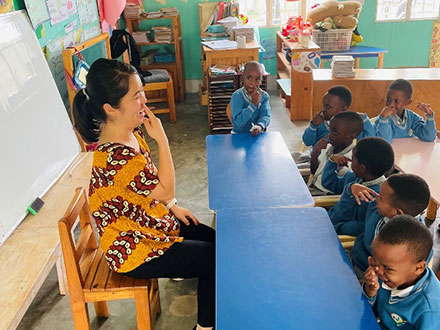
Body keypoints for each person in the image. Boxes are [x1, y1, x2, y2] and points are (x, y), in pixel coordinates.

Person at [72, 58, 215, 330]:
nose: (144, 101)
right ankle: (205, 327)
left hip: (147, 225)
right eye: (136, 96)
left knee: (216, 242)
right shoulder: (119, 157)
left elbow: (152, 190)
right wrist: (162, 140)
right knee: (213, 259)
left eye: (142, 92)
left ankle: (182, 269)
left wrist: (173, 206)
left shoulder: (129, 133)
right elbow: (165, 188)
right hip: (132, 250)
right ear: (110, 109)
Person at [364, 215, 440, 329]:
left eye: (387, 268)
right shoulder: (388, 271)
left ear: (418, 268)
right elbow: (368, 312)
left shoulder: (429, 310)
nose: (378, 271)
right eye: (374, 261)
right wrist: (370, 290)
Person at [350, 174, 430, 277]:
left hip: (367, 273)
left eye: (381, 198)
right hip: (354, 256)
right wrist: (352, 188)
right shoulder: (379, 211)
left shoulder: (412, 243)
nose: (376, 198)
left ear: (397, 213)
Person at [321, 137, 394, 236]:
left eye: (353, 158)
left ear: (362, 168)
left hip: (338, 235)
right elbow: (328, 183)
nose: (350, 160)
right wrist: (332, 161)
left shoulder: (377, 198)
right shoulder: (352, 177)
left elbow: (360, 229)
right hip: (328, 223)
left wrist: (335, 228)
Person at [293, 85, 375, 166]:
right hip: (313, 157)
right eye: (323, 105)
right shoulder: (321, 122)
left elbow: (370, 140)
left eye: (328, 107)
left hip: (330, 162)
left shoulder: (350, 126)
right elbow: (307, 142)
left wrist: (364, 118)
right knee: (290, 158)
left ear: (344, 108)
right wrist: (313, 125)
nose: (323, 110)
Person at [308, 111, 364, 195]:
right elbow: (314, 171)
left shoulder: (350, 160)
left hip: (323, 195)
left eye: (335, 132)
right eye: (330, 129)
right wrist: (315, 151)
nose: (330, 135)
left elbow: (336, 190)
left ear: (352, 136)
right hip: (312, 188)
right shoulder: (330, 147)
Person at [375, 79, 437, 143]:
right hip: (390, 152)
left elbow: (429, 137)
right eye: (388, 99)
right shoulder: (382, 120)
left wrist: (430, 116)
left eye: (397, 101)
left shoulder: (412, 118)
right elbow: (384, 141)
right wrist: (383, 118)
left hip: (408, 151)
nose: (391, 104)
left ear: (408, 102)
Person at [230, 61, 270, 135]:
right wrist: (253, 105)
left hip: (257, 135)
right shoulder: (237, 96)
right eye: (249, 78)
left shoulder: (264, 96)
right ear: (243, 78)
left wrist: (259, 126)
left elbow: (265, 116)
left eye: (257, 79)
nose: (253, 83)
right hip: (239, 136)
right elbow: (238, 123)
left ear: (261, 81)